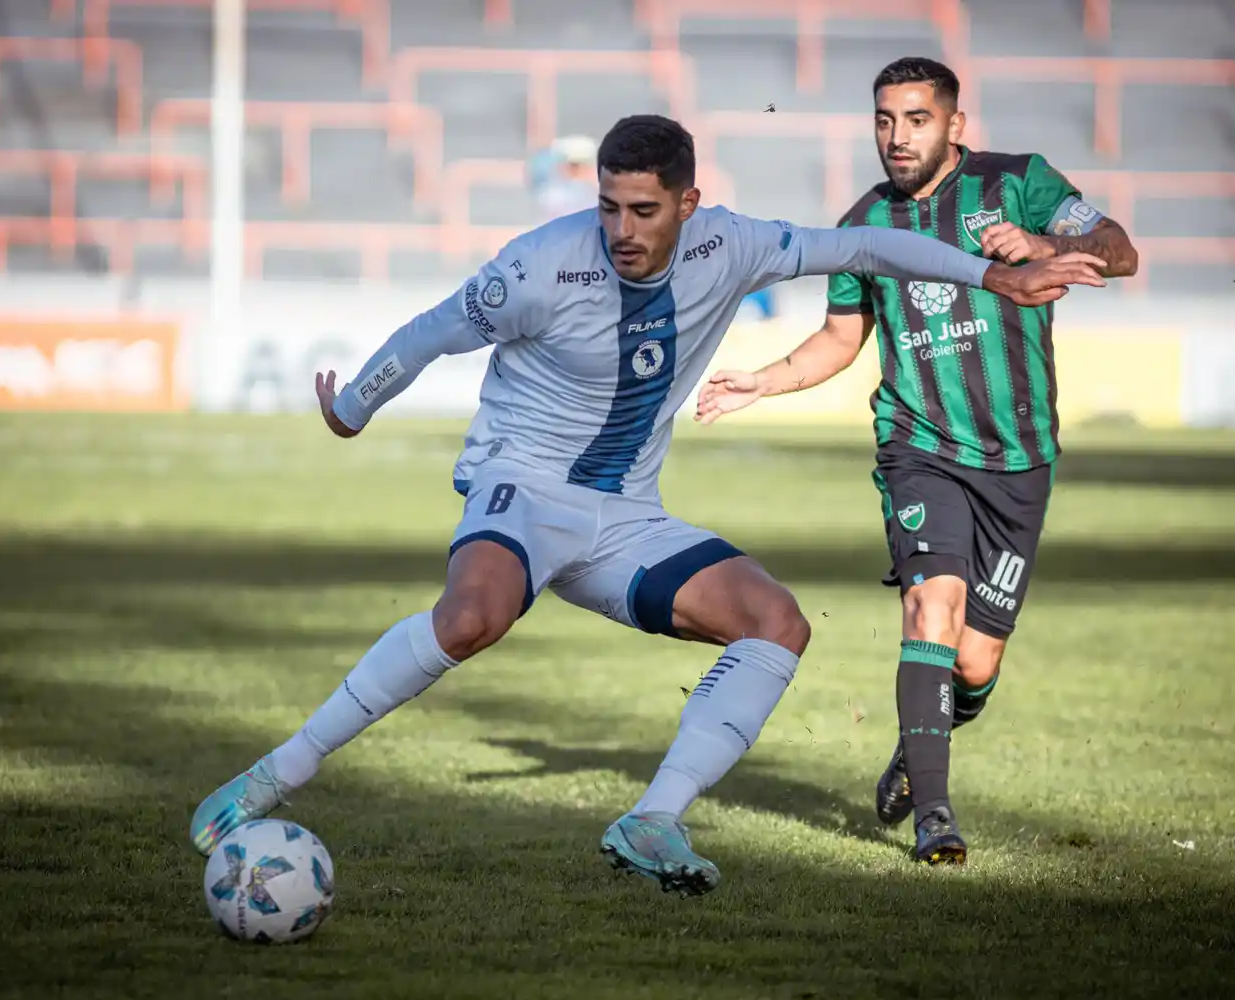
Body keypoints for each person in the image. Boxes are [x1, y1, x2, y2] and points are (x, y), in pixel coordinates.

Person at [189, 113, 1106, 895]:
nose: (621, 230)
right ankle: (271, 776)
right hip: (524, 488)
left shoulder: (730, 245)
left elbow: (864, 246)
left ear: (688, 204)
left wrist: (993, 277)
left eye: (643, 210)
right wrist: (354, 406)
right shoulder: (539, 266)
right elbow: (433, 332)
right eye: (608, 207)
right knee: (470, 619)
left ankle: (653, 820)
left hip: (626, 514)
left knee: (777, 623)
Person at [694, 57, 1139, 866]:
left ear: (955, 124)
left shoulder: (1019, 183)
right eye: (885, 120)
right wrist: (763, 379)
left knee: (974, 660)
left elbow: (1120, 250)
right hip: (919, 446)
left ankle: (919, 740)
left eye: (917, 119)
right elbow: (840, 339)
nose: (897, 137)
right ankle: (936, 816)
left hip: (1020, 458)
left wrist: (1045, 242)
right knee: (931, 606)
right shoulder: (864, 223)